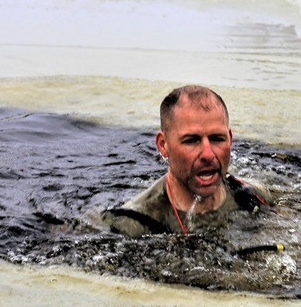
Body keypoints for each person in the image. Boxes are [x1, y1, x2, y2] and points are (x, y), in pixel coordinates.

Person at [102, 85, 273, 236]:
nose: (208, 154)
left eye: (217, 139)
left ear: (230, 139)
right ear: (163, 145)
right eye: (191, 140)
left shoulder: (255, 198)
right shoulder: (133, 224)